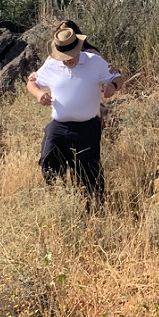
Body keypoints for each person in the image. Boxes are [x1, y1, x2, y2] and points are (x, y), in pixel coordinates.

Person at [27, 24, 122, 201]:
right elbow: (32, 83)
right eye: (63, 56)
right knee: (49, 161)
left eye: (71, 55)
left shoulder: (94, 61)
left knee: (89, 171)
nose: (68, 59)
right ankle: (60, 200)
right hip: (59, 126)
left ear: (78, 48)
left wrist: (113, 86)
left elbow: (116, 76)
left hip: (87, 126)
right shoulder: (50, 65)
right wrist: (39, 94)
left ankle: (95, 207)